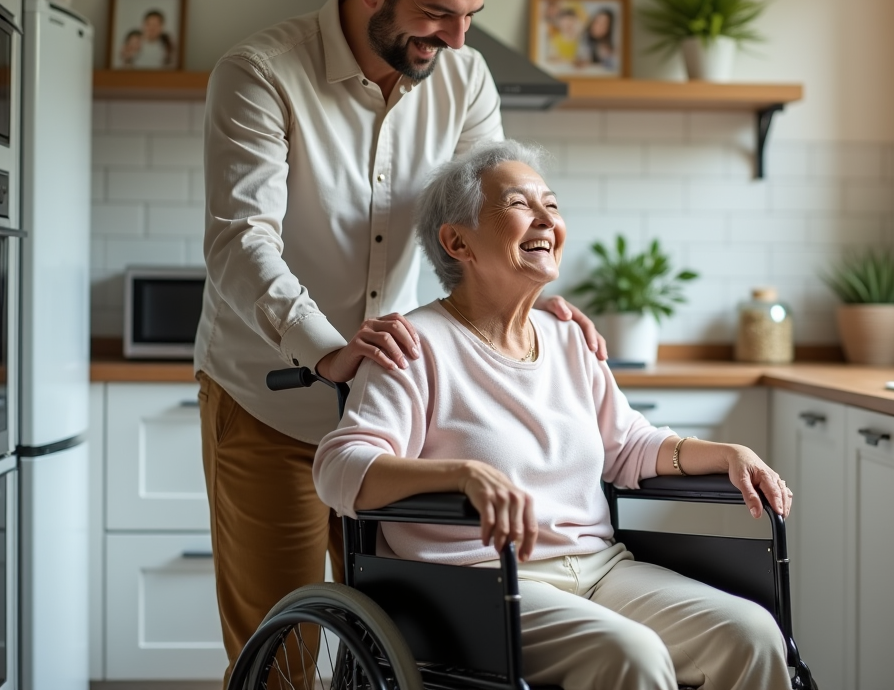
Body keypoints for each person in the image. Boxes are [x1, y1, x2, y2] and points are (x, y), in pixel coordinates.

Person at [194, 0, 605, 682]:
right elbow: (241, 241)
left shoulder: (466, 77)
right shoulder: (259, 73)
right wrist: (327, 351)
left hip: (400, 420)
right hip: (268, 401)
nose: (456, 38)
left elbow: (484, 217)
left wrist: (530, 295)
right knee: (281, 645)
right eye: (439, 14)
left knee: (400, 651)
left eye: (471, 16)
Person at [314, 140, 797, 690]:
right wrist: (461, 476)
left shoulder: (569, 339)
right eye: (521, 205)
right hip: (477, 583)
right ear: (457, 242)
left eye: (553, 204)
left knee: (753, 635)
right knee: (631, 656)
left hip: (600, 569)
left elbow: (630, 446)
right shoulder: (414, 344)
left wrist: (728, 455)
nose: (548, 219)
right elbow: (339, 466)